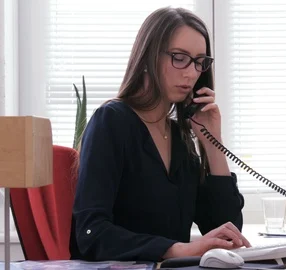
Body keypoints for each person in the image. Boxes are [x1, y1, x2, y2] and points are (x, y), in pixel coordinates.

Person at [69, 7, 251, 262]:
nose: (190, 73)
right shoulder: (112, 121)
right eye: (179, 57)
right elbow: (91, 233)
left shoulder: (179, 138)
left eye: (199, 62)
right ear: (148, 57)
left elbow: (227, 230)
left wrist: (213, 143)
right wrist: (180, 249)